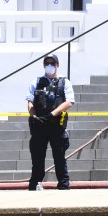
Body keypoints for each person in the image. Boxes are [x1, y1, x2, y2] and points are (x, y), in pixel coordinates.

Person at [26, 53, 75, 191]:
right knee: (37, 159)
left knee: (59, 157)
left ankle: (64, 185)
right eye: (46, 63)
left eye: (52, 63)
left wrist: (52, 114)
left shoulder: (64, 82)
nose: (49, 65)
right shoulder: (36, 82)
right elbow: (29, 101)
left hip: (56, 125)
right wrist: (34, 115)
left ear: (57, 65)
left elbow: (69, 102)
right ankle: (34, 185)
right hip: (39, 126)